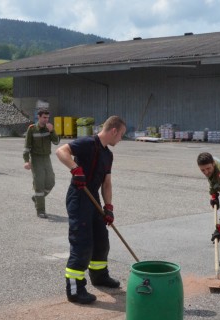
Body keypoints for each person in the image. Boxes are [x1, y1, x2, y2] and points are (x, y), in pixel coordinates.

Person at [55, 115, 126, 304]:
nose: (121, 139)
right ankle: (75, 289)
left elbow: (107, 183)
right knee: (82, 244)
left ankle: (99, 275)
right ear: (113, 131)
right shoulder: (87, 143)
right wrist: (75, 169)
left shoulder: (108, 154)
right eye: (121, 135)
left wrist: (108, 207)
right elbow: (61, 151)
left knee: (101, 240)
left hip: (93, 197)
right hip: (79, 197)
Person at [23, 109, 60, 218]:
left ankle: (36, 198)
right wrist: (26, 161)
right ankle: (41, 210)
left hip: (46, 158)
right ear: (38, 117)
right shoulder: (32, 129)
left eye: (48, 117)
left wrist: (52, 131)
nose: (46, 119)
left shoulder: (49, 128)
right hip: (36, 159)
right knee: (39, 184)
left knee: (51, 182)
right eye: (44, 117)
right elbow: (27, 147)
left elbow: (56, 141)